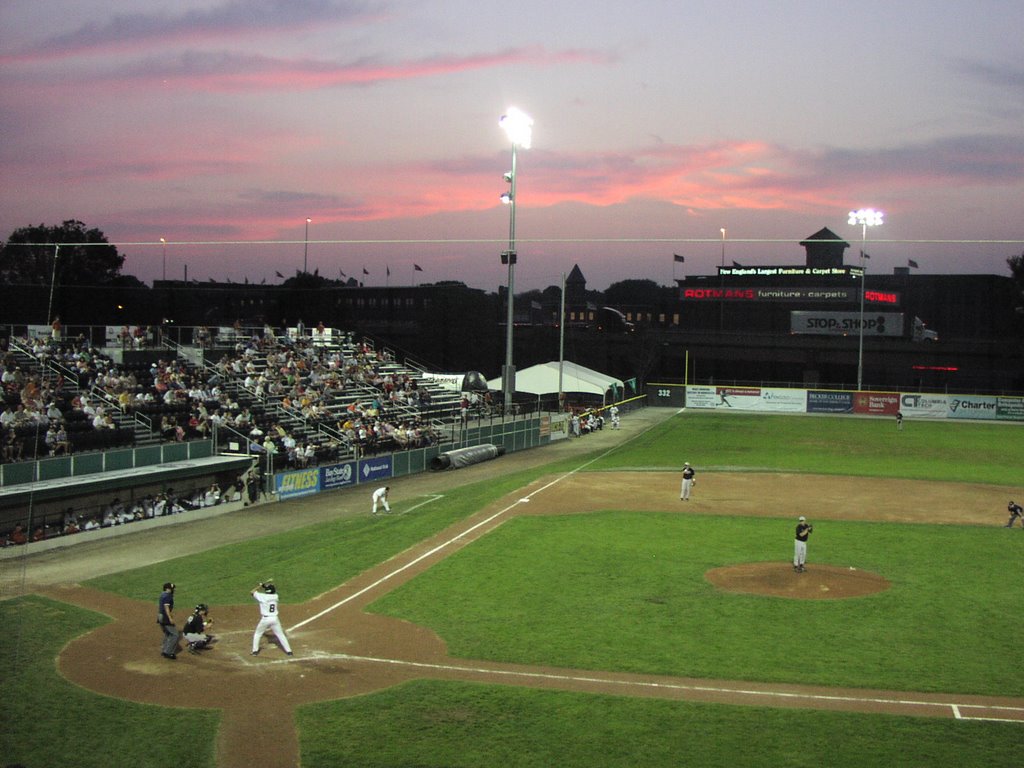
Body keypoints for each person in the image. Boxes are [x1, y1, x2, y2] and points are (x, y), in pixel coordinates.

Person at [251, 582, 293, 656]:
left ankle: (255, 651)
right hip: (275, 619)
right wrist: (265, 586)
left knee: (257, 634)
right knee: (280, 635)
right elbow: (271, 591)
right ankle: (289, 652)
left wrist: (260, 586)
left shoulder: (262, 596)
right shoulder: (275, 596)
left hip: (265, 620)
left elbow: (252, 592)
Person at [157, 582, 180, 659]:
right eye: (171, 589)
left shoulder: (162, 595)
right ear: (167, 589)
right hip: (165, 617)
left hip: (160, 616)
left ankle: (164, 649)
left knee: (168, 633)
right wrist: (170, 618)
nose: (173, 590)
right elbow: (166, 608)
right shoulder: (167, 596)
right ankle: (168, 652)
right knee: (175, 635)